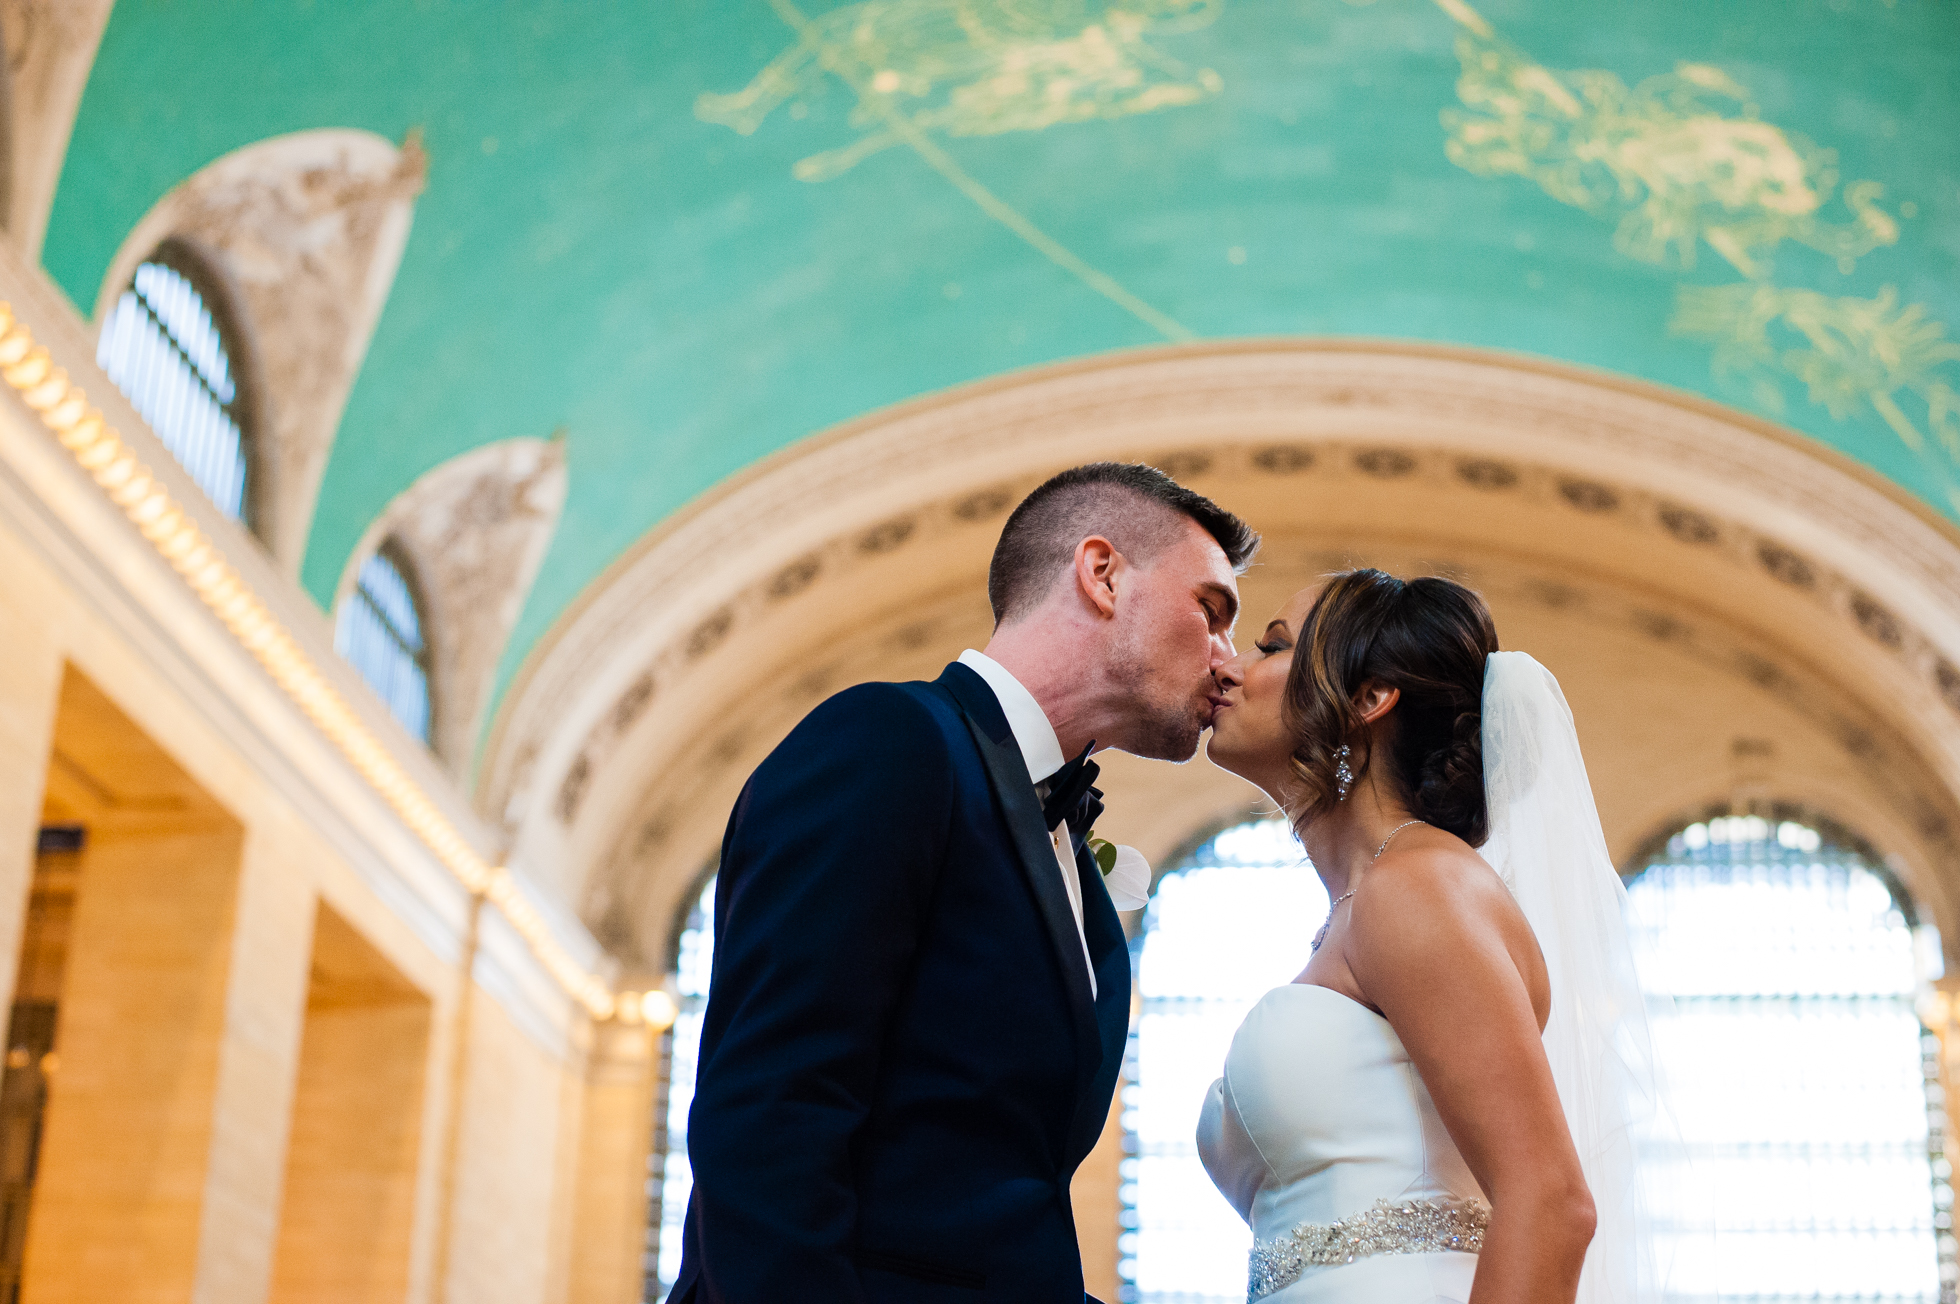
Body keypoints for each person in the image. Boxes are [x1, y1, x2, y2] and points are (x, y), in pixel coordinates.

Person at [671, 462, 1259, 1304]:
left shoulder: (1081, 883)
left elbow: (990, 1216)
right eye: (1212, 613)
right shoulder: (888, 742)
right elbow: (773, 1114)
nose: (1227, 661)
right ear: (1102, 574)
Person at [1199, 569, 1659, 1304]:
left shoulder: (1414, 888)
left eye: (1273, 646)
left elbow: (1551, 1202)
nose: (1227, 666)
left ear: (1370, 698)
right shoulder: (1363, 904)